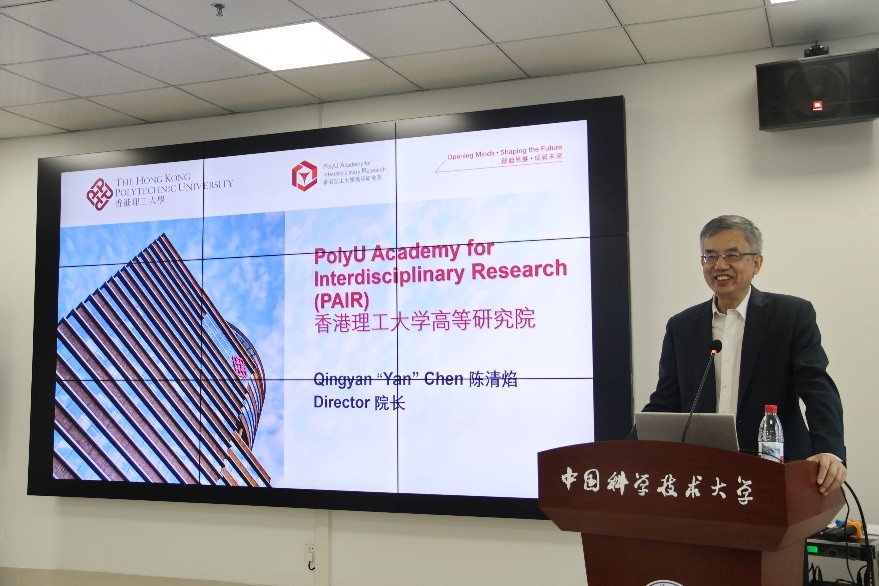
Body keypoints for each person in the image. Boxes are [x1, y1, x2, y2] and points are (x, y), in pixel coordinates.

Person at [640, 215, 846, 495]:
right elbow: (666, 401)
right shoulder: (681, 326)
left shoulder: (791, 315)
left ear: (756, 263)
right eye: (710, 256)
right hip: (704, 476)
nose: (720, 265)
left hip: (777, 469)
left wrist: (829, 450)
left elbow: (816, 386)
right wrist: (623, 454)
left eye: (732, 255)